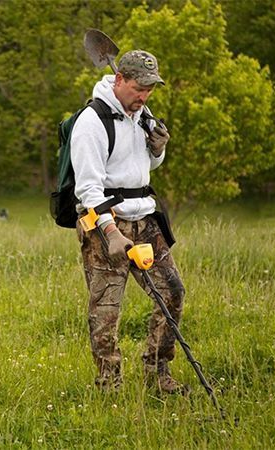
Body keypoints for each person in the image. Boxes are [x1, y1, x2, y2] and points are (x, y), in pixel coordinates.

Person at [71, 50, 184, 393]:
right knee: (106, 309)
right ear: (119, 80)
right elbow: (88, 188)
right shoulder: (91, 123)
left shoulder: (141, 114)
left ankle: (157, 372)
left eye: (150, 89)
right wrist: (110, 233)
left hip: (145, 218)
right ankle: (109, 384)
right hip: (107, 223)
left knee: (172, 292)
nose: (144, 96)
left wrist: (158, 150)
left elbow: (140, 169)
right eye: (139, 88)